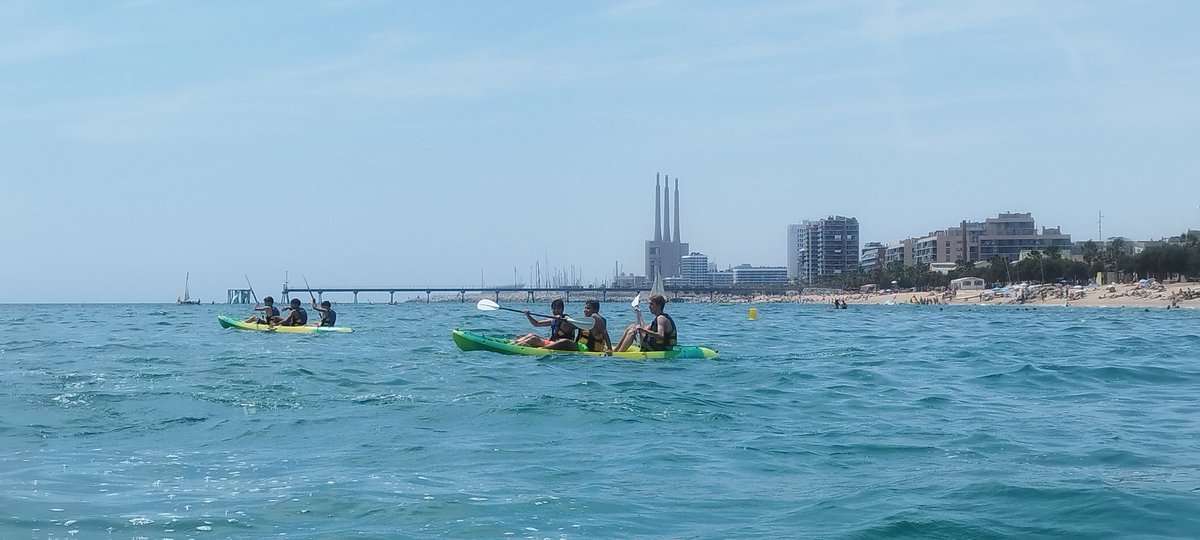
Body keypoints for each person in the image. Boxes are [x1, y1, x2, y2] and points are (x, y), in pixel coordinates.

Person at [513, 299, 577, 350]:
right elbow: (536, 324)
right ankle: (514, 343)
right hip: (552, 342)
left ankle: (515, 347)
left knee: (533, 339)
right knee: (531, 335)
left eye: (557, 309)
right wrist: (528, 315)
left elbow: (571, 322)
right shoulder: (553, 320)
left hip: (561, 344)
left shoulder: (567, 318)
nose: (555, 311)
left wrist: (561, 319)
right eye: (554, 309)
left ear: (562, 309)